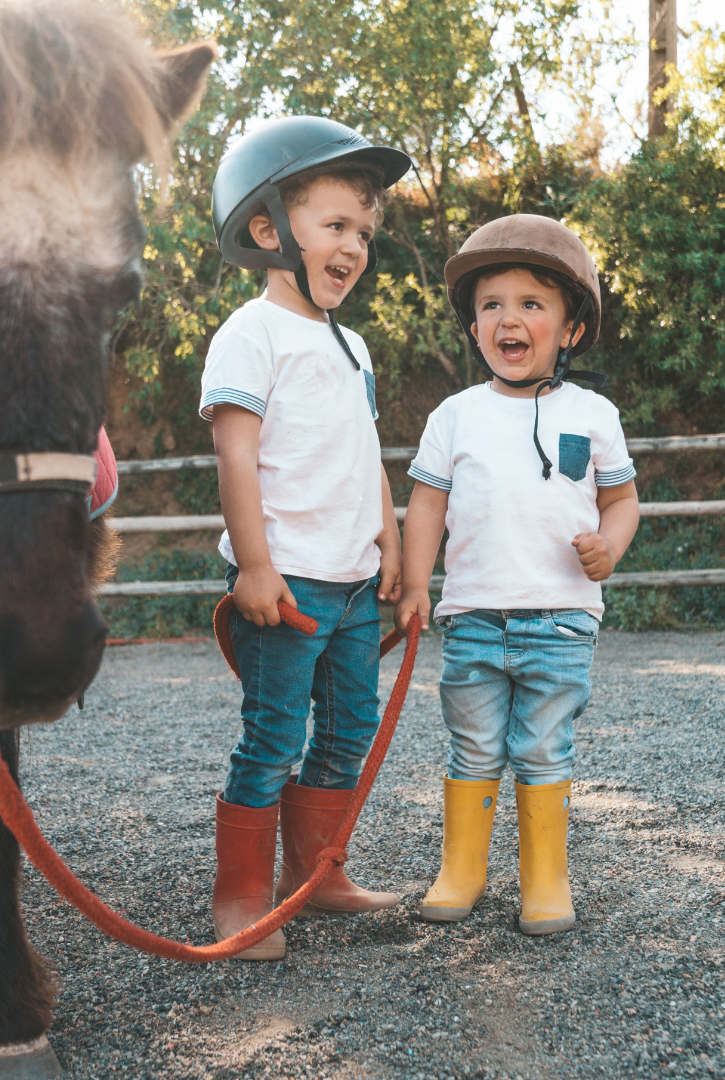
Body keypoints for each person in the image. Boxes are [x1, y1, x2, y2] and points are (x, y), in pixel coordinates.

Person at [395, 214, 640, 936]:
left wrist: (611, 543)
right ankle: (462, 870)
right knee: (471, 746)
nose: (510, 318)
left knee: (541, 748)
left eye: (532, 304)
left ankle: (546, 879)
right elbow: (426, 507)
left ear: (571, 331)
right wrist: (415, 587)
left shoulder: (593, 414)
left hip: (562, 619)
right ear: (474, 329)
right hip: (471, 616)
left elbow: (622, 499)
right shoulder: (454, 416)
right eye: (492, 305)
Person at [202, 117, 411, 960]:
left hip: (357, 583)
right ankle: (241, 895)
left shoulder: (351, 343)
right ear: (267, 231)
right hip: (285, 583)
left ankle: (317, 872)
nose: (354, 246)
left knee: (346, 731)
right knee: (274, 735)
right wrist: (254, 564)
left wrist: (392, 542)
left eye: (363, 233)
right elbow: (235, 454)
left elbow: (364, 451)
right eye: (336, 226)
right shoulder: (249, 335)